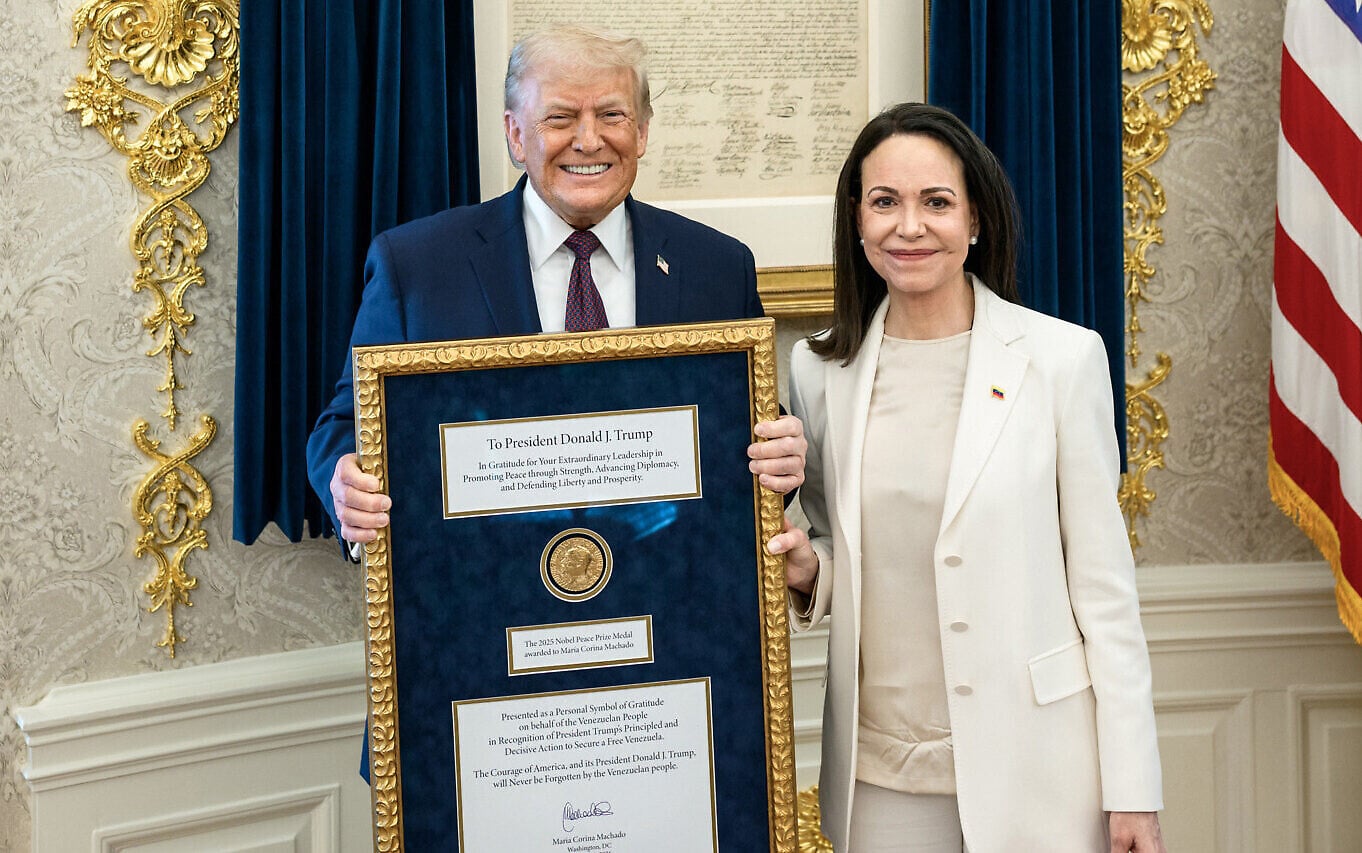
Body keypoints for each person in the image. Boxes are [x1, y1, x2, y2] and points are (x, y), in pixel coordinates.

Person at [764, 103, 1165, 851]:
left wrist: (1133, 789)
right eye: (884, 202)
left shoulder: (1062, 360)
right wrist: (805, 567)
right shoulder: (817, 372)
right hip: (879, 776)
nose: (908, 226)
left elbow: (1105, 592)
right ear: (856, 221)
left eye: (936, 203)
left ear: (975, 220)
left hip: (1040, 766)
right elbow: (831, 544)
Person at [306, 25, 805, 547]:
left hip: (667, 592)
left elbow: (747, 435)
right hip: (482, 595)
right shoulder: (416, 268)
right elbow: (345, 425)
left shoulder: (718, 267)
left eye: (612, 115)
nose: (589, 140)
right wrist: (346, 483)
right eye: (560, 117)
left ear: (642, 131)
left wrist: (781, 456)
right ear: (516, 135)